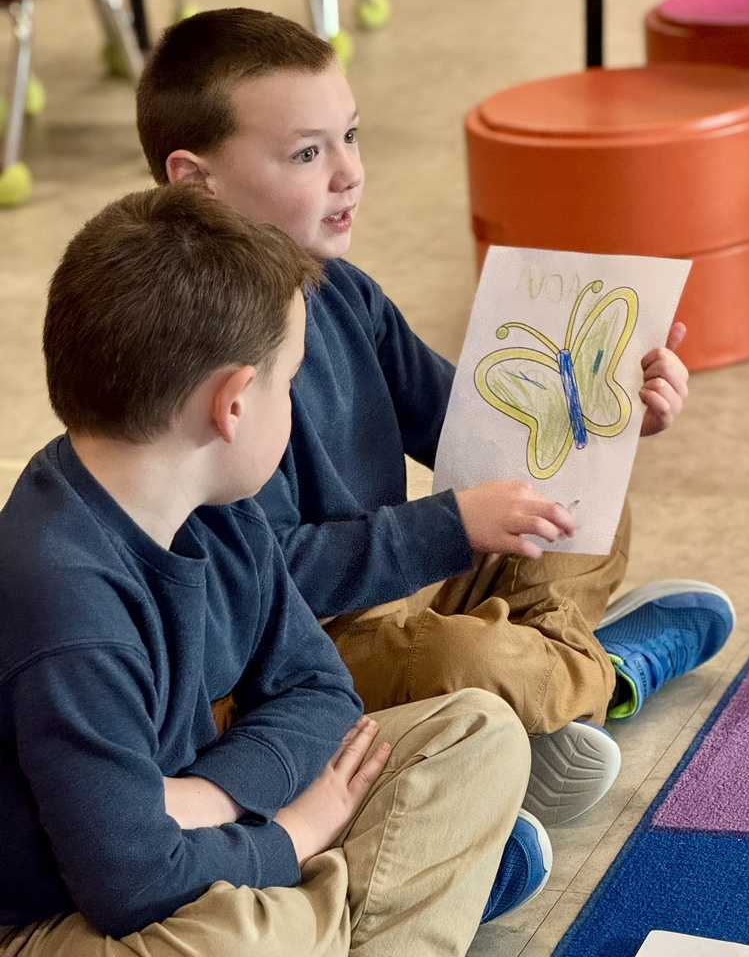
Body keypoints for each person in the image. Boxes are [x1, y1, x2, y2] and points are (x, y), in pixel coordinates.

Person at [135, 7, 735, 830]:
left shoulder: (342, 290)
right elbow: (266, 577)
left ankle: (546, 692)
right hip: (296, 650)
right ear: (196, 182)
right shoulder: (186, 361)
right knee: (468, 655)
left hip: (401, 588)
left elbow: (479, 427)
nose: (349, 172)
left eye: (351, 136)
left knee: (573, 494)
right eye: (308, 153)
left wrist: (611, 406)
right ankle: (598, 675)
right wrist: (450, 524)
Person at [0, 185, 548, 957]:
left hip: (180, 833)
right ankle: (368, 901)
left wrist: (214, 796)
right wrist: (291, 836)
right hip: (57, 917)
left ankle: (338, 908)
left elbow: (320, 689)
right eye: (288, 382)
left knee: (476, 735)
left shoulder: (218, 505)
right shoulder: (66, 603)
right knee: (244, 940)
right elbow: (132, 884)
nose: (294, 401)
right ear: (233, 403)